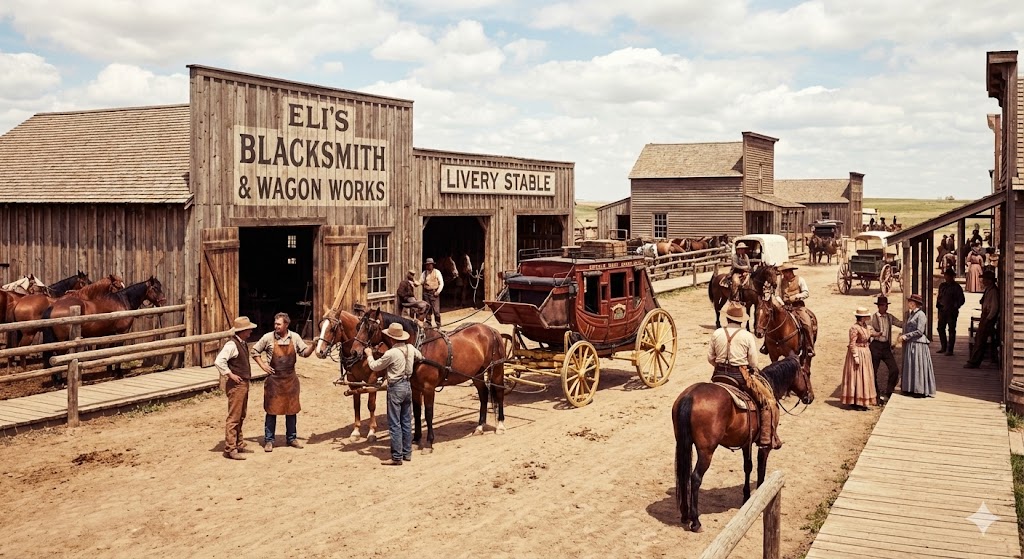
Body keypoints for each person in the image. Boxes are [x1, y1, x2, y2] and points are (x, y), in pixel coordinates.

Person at [708, 302, 781, 449]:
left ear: (727, 318)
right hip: (739, 376)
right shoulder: (747, 336)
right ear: (742, 320)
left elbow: (710, 357)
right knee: (766, 400)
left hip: (718, 375)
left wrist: (721, 365)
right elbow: (753, 362)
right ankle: (766, 437)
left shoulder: (717, 333)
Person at [251, 312, 314, 451]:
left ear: (286, 324)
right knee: (271, 411)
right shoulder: (268, 337)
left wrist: (314, 345)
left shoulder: (295, 337)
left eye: (279, 324)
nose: (276, 326)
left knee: (291, 410)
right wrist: (263, 365)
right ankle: (269, 440)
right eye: (275, 324)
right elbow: (254, 351)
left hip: (291, 380)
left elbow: (305, 353)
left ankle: (292, 438)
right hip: (274, 381)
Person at [364, 323, 423, 465]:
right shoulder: (410, 348)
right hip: (407, 386)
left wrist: (369, 355)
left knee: (395, 423)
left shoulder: (391, 353)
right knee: (406, 421)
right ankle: (407, 453)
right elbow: (420, 357)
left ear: (391, 339)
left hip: (395, 387)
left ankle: (396, 457)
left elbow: (374, 366)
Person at [214, 316, 258, 460]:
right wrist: (230, 374)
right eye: (248, 330)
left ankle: (238, 444)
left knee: (241, 414)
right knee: (234, 416)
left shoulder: (242, 343)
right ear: (242, 331)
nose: (251, 332)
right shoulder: (231, 345)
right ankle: (230, 448)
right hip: (237, 385)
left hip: (243, 383)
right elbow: (219, 361)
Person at [842, 308, 878, 410]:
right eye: (866, 316)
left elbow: (871, 333)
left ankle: (863, 401)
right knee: (857, 376)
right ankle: (855, 401)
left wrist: (880, 333)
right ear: (862, 317)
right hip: (858, 352)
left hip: (865, 352)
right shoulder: (854, 328)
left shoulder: (866, 327)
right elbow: (852, 344)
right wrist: (855, 356)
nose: (868, 317)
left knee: (865, 376)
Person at [869, 296, 903, 405]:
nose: (886, 307)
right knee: (873, 372)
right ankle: (876, 395)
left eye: (887, 305)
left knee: (894, 370)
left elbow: (900, 323)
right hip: (875, 346)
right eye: (884, 305)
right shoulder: (872, 318)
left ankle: (888, 392)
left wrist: (911, 320)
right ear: (879, 307)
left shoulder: (889, 317)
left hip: (886, 347)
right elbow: (867, 331)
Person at [900, 294, 935, 397]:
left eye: (911, 302)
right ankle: (910, 388)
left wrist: (906, 336)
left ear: (915, 304)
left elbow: (920, 331)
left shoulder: (921, 315)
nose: (909, 304)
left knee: (918, 366)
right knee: (912, 365)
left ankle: (919, 390)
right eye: (909, 302)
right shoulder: (911, 314)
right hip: (912, 343)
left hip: (918, 343)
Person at [777, 262, 815, 357]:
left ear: (790, 272)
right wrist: (781, 303)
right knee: (771, 321)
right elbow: (777, 294)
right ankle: (767, 345)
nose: (783, 275)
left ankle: (809, 346)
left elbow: (806, 293)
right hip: (784, 307)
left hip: (798, 307)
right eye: (782, 272)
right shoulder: (781, 282)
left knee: (807, 323)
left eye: (785, 272)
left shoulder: (800, 280)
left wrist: (796, 297)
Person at [966, 270, 1000, 369]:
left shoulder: (993, 291)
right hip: (985, 316)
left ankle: (974, 362)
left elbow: (994, 307)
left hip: (988, 318)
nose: (983, 281)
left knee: (980, 340)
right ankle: (975, 360)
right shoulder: (988, 289)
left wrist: (988, 319)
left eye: (985, 279)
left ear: (989, 280)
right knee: (979, 339)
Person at [936, 268, 965, 356]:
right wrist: (938, 305)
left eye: (949, 276)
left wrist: (955, 306)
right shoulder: (942, 285)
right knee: (940, 328)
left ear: (953, 277)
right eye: (946, 275)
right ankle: (943, 346)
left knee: (951, 330)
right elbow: (939, 296)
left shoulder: (956, 287)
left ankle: (950, 349)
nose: (947, 277)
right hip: (942, 311)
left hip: (951, 311)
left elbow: (962, 300)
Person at [420, 258, 444, 327]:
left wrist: (438, 291)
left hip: (434, 293)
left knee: (436, 311)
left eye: (430, 265)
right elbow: (420, 281)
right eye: (427, 265)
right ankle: (428, 325)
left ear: (432, 265)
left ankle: (438, 325)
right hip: (426, 294)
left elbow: (441, 283)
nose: (428, 266)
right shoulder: (424, 273)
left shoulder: (437, 272)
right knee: (428, 310)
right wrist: (415, 283)